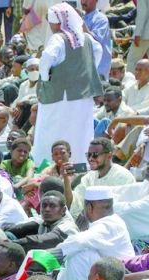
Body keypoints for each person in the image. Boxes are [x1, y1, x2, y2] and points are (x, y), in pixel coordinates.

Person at [33, 3, 103, 163]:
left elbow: (47, 58)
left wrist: (44, 77)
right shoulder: (85, 38)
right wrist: (88, 71)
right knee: (80, 131)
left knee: (52, 129)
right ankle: (80, 164)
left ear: (57, 23)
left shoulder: (58, 38)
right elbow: (99, 50)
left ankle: (47, 164)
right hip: (83, 94)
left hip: (60, 97)